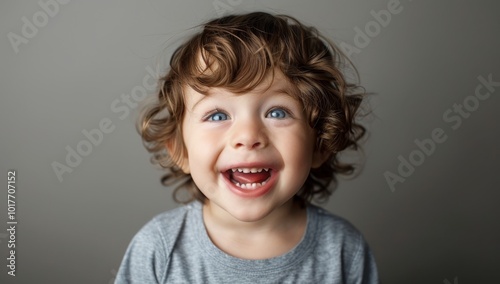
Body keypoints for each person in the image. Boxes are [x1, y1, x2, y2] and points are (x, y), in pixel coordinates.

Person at [116, 11, 378, 283]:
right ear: (180, 151)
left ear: (321, 144)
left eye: (277, 113)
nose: (248, 135)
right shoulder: (159, 248)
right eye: (218, 115)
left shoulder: (344, 250)